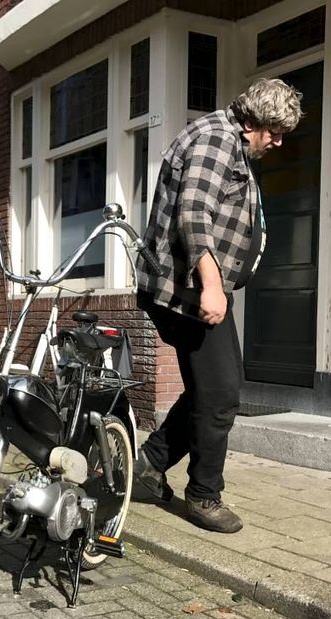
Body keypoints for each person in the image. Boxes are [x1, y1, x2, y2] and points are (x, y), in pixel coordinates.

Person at [133, 78, 303, 533]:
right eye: (274, 130)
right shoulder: (216, 140)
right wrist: (211, 285)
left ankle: (147, 467)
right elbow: (193, 213)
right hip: (185, 292)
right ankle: (204, 496)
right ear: (253, 121)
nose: (278, 141)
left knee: (214, 389)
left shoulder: (226, 140)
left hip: (187, 290)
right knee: (222, 393)